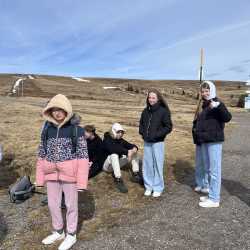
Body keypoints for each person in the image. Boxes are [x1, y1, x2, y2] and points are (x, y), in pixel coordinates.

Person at [35, 94, 89, 250]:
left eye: (60, 110)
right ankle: (58, 231)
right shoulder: (46, 129)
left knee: (71, 205)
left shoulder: (76, 130)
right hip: (51, 173)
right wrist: (40, 178)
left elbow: (83, 156)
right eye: (54, 110)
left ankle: (71, 234)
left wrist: (82, 182)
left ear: (67, 110)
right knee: (53, 204)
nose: (57, 113)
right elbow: (41, 153)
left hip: (70, 175)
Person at [192, 81, 232, 208]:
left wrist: (219, 106)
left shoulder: (217, 103)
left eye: (207, 91)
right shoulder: (204, 105)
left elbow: (227, 117)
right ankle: (211, 195)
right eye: (203, 91)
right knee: (209, 169)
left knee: (214, 171)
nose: (205, 93)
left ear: (212, 90)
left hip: (214, 141)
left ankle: (215, 199)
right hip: (204, 140)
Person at [139, 88, 172, 197]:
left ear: (158, 99)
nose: (151, 99)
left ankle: (158, 187)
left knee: (157, 164)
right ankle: (149, 186)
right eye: (149, 97)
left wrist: (156, 135)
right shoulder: (145, 111)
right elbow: (141, 125)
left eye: (153, 97)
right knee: (147, 165)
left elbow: (168, 127)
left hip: (158, 142)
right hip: (147, 142)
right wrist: (143, 134)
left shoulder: (163, 111)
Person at [102, 123, 142, 193]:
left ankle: (136, 174)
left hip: (116, 164)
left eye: (122, 132)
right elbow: (113, 149)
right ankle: (118, 179)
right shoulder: (107, 139)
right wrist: (127, 152)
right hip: (107, 166)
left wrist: (134, 148)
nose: (120, 134)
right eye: (118, 132)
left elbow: (130, 145)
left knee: (134, 152)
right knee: (114, 155)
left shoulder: (120, 140)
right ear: (113, 131)